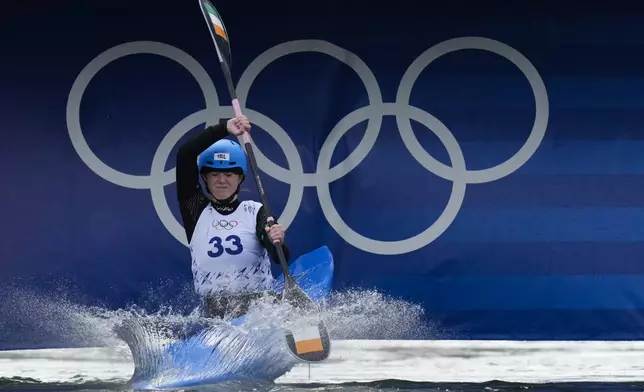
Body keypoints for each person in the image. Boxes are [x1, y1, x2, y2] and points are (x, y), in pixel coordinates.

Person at [175, 115, 290, 319]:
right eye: (214, 174)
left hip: (259, 313)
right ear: (205, 178)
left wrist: (276, 241)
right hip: (215, 317)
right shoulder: (195, 210)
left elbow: (281, 257)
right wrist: (224, 128)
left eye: (229, 174)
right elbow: (185, 155)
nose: (221, 181)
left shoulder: (256, 211)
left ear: (240, 177)